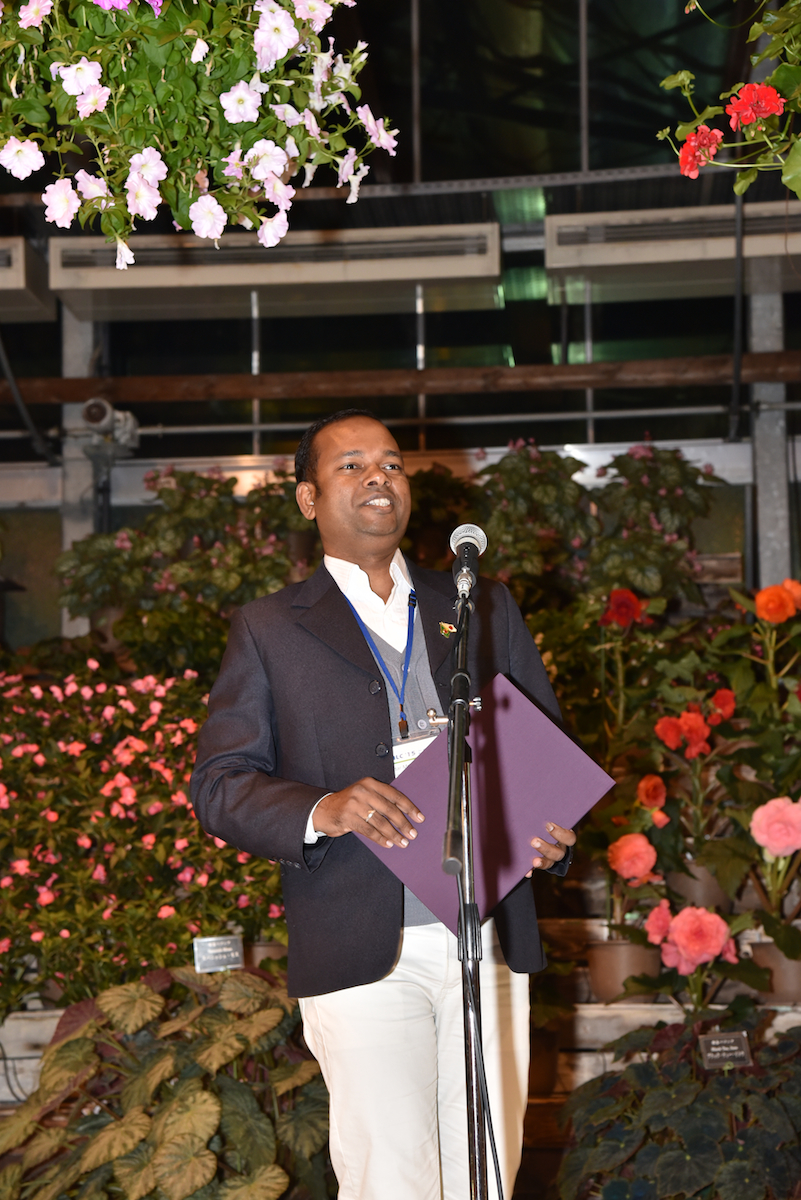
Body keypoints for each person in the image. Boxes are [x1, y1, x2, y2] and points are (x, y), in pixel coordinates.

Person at [191, 410, 576, 1200]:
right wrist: (324, 808)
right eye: (352, 465)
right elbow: (220, 785)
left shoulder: (480, 604)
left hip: (484, 933)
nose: (378, 477)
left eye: (393, 464)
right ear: (308, 499)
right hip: (359, 944)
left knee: (487, 1174)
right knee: (389, 1178)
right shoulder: (268, 629)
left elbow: (546, 752)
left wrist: (554, 832)